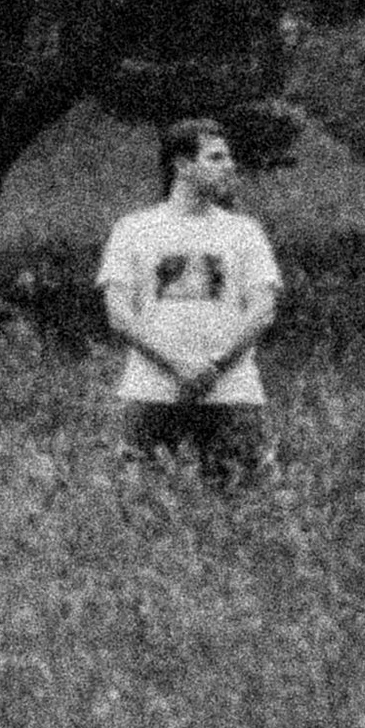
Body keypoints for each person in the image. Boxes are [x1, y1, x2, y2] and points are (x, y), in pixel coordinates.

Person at [97, 114, 281, 473]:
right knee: (141, 509)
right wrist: (177, 365)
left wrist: (213, 366)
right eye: (215, 158)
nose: (230, 166)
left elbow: (263, 310)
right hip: (152, 394)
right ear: (182, 165)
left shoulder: (245, 232)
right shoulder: (134, 229)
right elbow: (118, 313)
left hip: (232, 395)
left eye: (228, 157)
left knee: (244, 506)